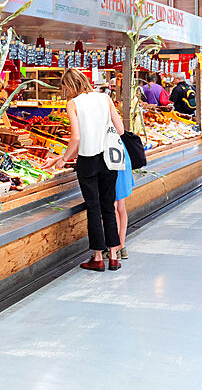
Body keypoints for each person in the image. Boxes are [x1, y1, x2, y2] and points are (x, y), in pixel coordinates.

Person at [43, 68, 124, 272]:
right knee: (109, 205)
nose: (65, 93)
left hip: (88, 160)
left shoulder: (73, 103)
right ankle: (113, 255)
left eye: (65, 88)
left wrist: (62, 159)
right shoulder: (105, 98)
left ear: (70, 85)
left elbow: (76, 137)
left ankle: (97, 257)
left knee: (94, 208)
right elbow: (121, 129)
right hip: (108, 159)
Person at [115, 137, 135, 260]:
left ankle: (114, 248)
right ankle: (122, 247)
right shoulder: (115, 117)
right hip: (120, 154)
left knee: (113, 207)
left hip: (112, 159)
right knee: (120, 206)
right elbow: (121, 130)